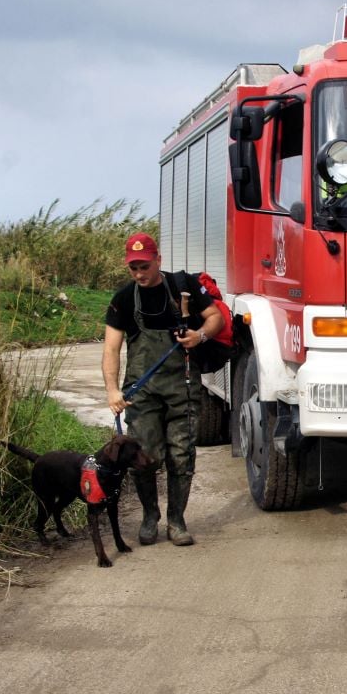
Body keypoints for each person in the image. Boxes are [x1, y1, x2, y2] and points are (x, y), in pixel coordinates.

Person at [101, 232, 223, 546]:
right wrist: (113, 391)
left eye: (144, 266)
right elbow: (111, 349)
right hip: (142, 392)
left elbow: (216, 318)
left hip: (182, 387)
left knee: (181, 456)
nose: (139, 273)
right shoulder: (124, 298)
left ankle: (177, 521)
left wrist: (200, 337)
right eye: (133, 268)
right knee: (145, 457)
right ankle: (149, 516)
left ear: (158, 260)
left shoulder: (183, 287)